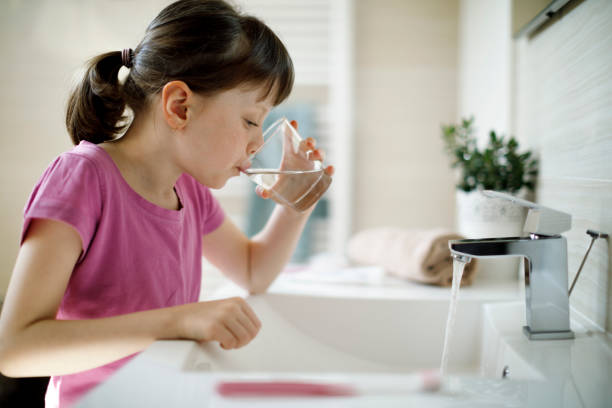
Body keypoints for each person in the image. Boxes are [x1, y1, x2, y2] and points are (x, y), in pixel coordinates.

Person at [0, 1, 333, 406]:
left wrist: (296, 203)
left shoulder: (189, 190)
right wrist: (178, 321)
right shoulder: (83, 179)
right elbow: (16, 349)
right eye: (250, 120)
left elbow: (252, 270)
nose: (258, 142)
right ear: (180, 106)